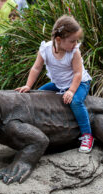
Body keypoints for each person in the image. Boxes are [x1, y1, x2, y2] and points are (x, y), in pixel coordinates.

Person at [15, 15, 94, 153]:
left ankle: (87, 135)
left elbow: (78, 74)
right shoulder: (45, 49)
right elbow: (36, 68)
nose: (75, 44)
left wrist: (71, 90)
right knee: (38, 95)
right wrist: (28, 85)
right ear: (58, 39)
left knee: (75, 102)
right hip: (58, 84)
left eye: (76, 41)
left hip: (79, 83)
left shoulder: (74, 52)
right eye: (72, 41)